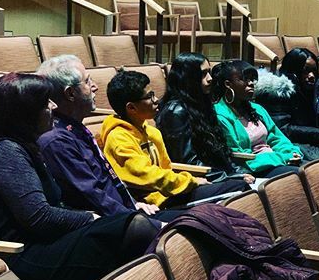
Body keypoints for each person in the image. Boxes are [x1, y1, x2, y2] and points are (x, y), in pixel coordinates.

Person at [0, 73, 160, 280]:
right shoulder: (6, 152)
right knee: (132, 227)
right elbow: (40, 217)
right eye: (45, 102)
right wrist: (91, 218)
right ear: (25, 113)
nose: (53, 106)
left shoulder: (23, 146)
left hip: (41, 247)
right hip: (18, 262)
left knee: (129, 224)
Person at [37, 55, 180, 222]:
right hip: (111, 224)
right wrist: (134, 217)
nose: (95, 87)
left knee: (203, 216)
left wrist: (134, 204)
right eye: (87, 81)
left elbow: (108, 181)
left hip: (127, 212)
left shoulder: (76, 128)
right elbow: (91, 194)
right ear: (70, 93)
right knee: (194, 223)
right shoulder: (58, 141)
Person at [100, 70, 247, 208]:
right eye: (149, 96)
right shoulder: (118, 138)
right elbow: (148, 175)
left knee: (239, 186)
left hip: (171, 192)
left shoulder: (151, 132)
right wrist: (191, 181)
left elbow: (166, 168)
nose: (156, 100)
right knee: (239, 188)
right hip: (154, 203)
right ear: (131, 108)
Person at [155, 53, 254, 184]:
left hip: (214, 175)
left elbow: (219, 151)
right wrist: (229, 177)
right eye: (203, 74)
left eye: (209, 72)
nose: (210, 78)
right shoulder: (175, 112)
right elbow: (189, 162)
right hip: (195, 180)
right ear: (188, 78)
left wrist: (236, 172)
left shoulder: (201, 105)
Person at [212, 59, 302, 178]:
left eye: (252, 79)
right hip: (254, 169)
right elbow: (240, 156)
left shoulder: (256, 109)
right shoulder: (220, 115)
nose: (251, 83)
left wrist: (291, 153)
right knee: (299, 176)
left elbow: (276, 137)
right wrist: (282, 158)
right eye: (244, 79)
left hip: (276, 161)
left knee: (317, 170)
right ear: (228, 84)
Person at [254, 48, 319, 160]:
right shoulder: (278, 92)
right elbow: (283, 129)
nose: (311, 75)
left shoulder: (312, 90)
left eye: (314, 71)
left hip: (314, 143)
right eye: (306, 70)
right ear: (293, 70)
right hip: (292, 146)